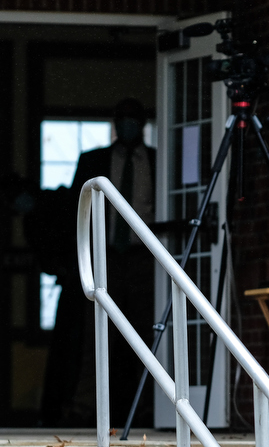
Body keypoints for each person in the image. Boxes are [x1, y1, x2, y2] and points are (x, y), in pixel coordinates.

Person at [40, 97, 156, 427]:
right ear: (115, 123)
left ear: (143, 124)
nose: (128, 124)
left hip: (144, 258)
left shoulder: (159, 160)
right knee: (96, 334)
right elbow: (73, 213)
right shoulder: (94, 160)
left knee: (148, 335)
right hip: (104, 257)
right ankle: (84, 408)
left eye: (134, 118)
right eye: (122, 119)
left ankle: (149, 409)